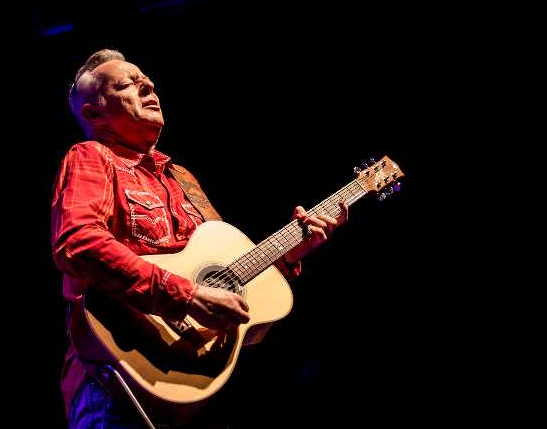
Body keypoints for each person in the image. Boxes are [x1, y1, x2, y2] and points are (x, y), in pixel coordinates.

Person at [51, 49, 348, 428]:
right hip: (118, 385)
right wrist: (186, 297)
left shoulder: (182, 178)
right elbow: (78, 242)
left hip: (202, 381)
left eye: (146, 79)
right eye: (127, 83)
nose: (148, 84)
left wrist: (289, 256)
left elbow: (226, 277)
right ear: (94, 114)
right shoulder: (92, 156)